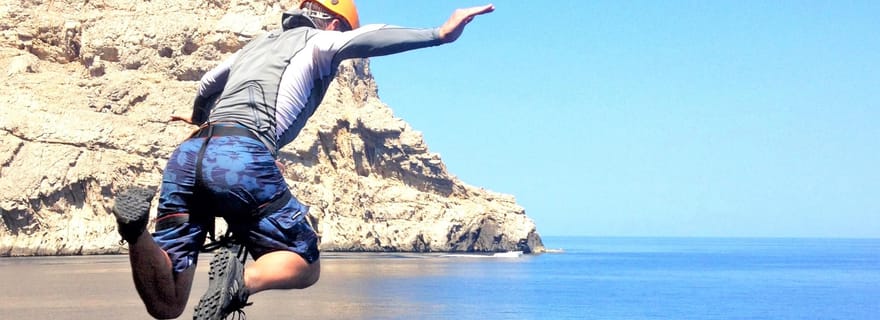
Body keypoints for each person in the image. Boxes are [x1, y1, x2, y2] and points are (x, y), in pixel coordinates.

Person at [111, 1, 495, 319]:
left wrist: (198, 118)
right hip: (241, 153)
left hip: (189, 153)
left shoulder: (255, 48)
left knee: (167, 305)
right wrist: (438, 35)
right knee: (304, 261)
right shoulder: (319, 42)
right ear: (332, 23)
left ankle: (135, 232)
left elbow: (207, 84)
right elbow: (371, 37)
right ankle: (240, 281)